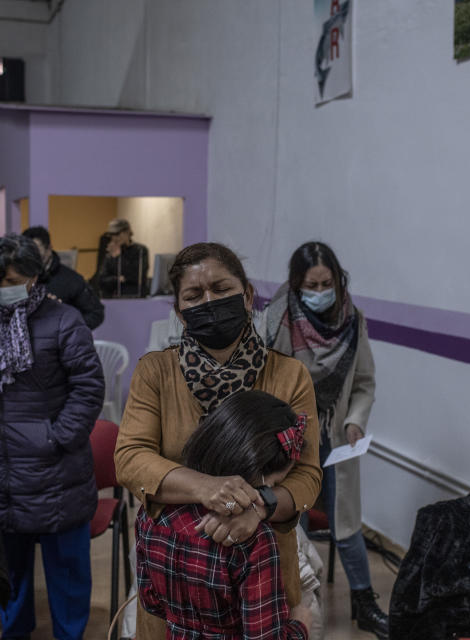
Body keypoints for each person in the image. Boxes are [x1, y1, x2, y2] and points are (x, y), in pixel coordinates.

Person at [114, 242, 322, 640]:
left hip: (263, 573)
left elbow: (308, 476)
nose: (209, 300)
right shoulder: (156, 372)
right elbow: (131, 458)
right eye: (194, 295)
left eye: (221, 288)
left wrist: (258, 507)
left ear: (246, 295)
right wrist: (210, 489)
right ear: (179, 310)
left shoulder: (289, 376)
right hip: (178, 575)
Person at [0, 234, 105, 640]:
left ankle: (70, 634)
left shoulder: (64, 320)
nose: (3, 286)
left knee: (67, 573)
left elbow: (89, 386)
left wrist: (57, 437)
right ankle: (15, 632)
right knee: (10, 572)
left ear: (33, 277)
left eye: (12, 279)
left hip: (55, 471)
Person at [262, 241, 385, 638]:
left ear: (337, 279)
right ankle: (288, 600)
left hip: (335, 435)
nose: (319, 292)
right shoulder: (278, 318)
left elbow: (364, 382)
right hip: (289, 438)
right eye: (310, 285)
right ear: (297, 284)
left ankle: (365, 602)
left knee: (346, 523)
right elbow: (263, 380)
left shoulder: (354, 320)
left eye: (326, 282)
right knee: (287, 519)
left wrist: (355, 420)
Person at [136, 389, 311, 639]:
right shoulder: (253, 540)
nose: (267, 494)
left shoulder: (151, 512)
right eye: (270, 485)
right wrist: (300, 625)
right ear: (252, 474)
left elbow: (150, 600)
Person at [22, 225, 105, 329]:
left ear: (49, 249)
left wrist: (68, 329)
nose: (33, 260)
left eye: (37, 253)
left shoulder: (71, 280)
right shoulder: (18, 279)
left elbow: (95, 313)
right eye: (27, 254)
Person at [98, 218, 149, 298]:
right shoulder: (110, 253)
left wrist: (118, 257)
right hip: (113, 298)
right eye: (112, 235)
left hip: (135, 297)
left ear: (127, 232)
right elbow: (102, 280)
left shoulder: (140, 250)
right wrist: (118, 279)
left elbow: (137, 276)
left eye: (117, 234)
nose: (114, 238)